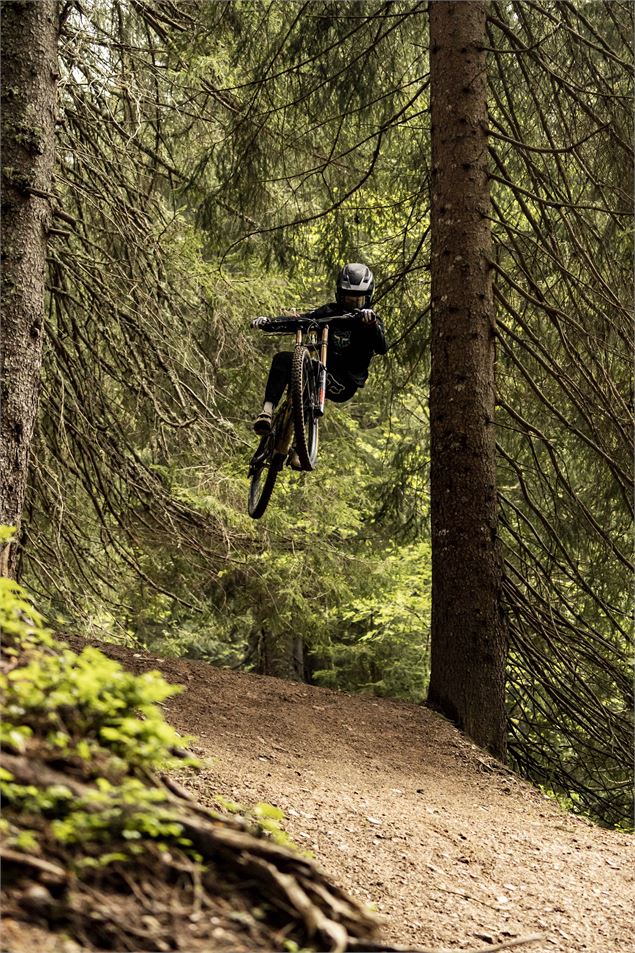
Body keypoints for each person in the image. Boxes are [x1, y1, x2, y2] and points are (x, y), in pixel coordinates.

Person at [251, 263, 387, 447]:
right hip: (320, 368)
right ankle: (267, 412)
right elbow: (301, 321)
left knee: (313, 382)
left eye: (359, 300)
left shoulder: (371, 321)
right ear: (340, 295)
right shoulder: (329, 312)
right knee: (283, 359)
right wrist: (269, 323)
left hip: (344, 383)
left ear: (368, 299)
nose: (353, 305)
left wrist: (370, 324)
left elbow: (382, 347)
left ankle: (301, 447)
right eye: (349, 299)